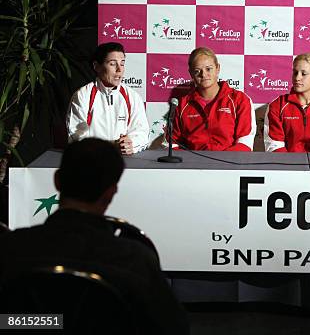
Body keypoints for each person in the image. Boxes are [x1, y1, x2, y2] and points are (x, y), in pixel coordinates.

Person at [0, 138, 189, 334]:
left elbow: (6, 321)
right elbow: (173, 327)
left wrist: (53, 322)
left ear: (57, 180)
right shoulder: (134, 260)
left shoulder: (9, 249)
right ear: (111, 192)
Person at [66, 42, 149, 155]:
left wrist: (130, 144)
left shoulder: (132, 96)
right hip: (91, 161)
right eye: (112, 64)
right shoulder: (82, 96)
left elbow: (142, 133)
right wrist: (111, 145)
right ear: (96, 66)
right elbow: (76, 137)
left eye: (122, 63)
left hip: (123, 162)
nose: (119, 69)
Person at [171, 47, 255, 151]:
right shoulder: (182, 104)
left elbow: (245, 143)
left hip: (229, 164)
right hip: (193, 165)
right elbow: (171, 144)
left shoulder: (240, 100)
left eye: (208, 69)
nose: (203, 74)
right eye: (197, 71)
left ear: (217, 68)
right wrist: (189, 162)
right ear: (191, 73)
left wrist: (220, 163)